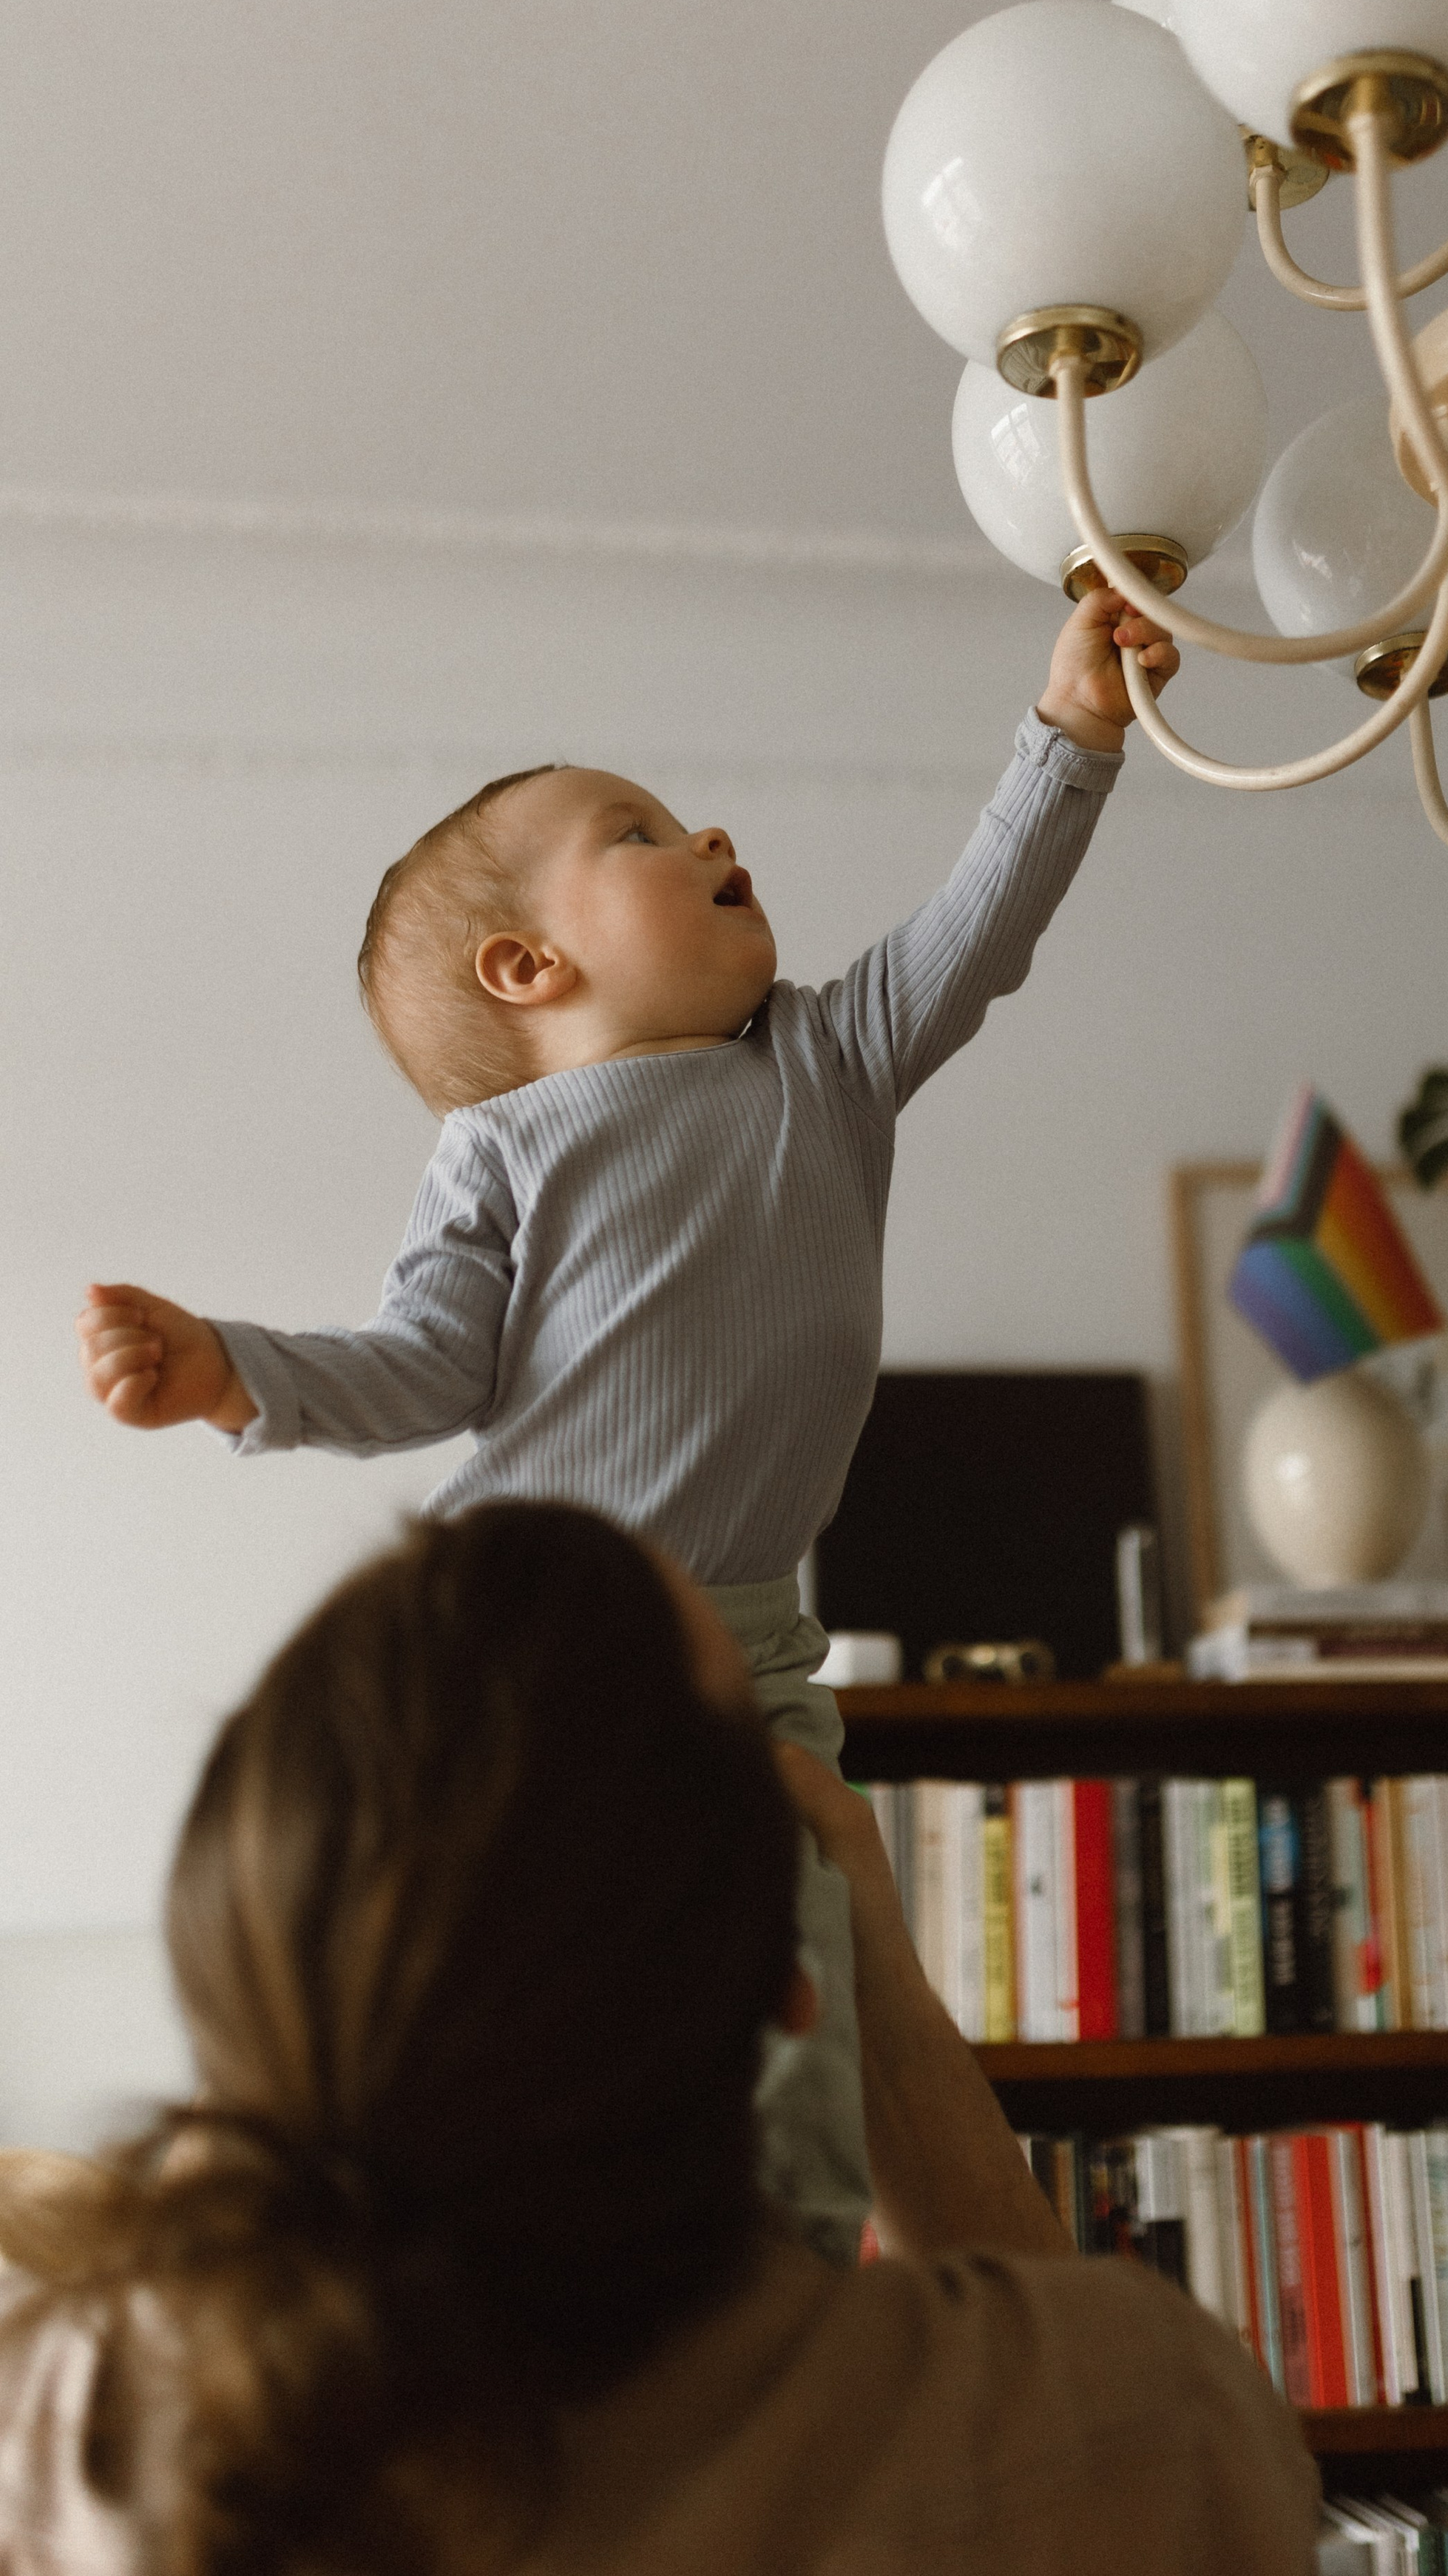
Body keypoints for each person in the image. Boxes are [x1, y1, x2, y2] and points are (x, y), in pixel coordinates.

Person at [70, 583, 1178, 2272]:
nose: (707, 834)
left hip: (753, 1648)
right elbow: (423, 1366)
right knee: (476, 1957)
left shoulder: (826, 1061)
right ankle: (328, 2195)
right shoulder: (506, 1147)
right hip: (526, 1635)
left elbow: (983, 923)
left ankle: (781, 2273)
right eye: (640, 833)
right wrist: (232, 1371)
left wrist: (1074, 731)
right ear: (529, 966)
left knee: (801, 1963)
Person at [0, 1502, 1319, 2576]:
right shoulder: (1137, 2424)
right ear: (787, 1983)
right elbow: (1065, 2395)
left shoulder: (80, 2443)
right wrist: (873, 1980)